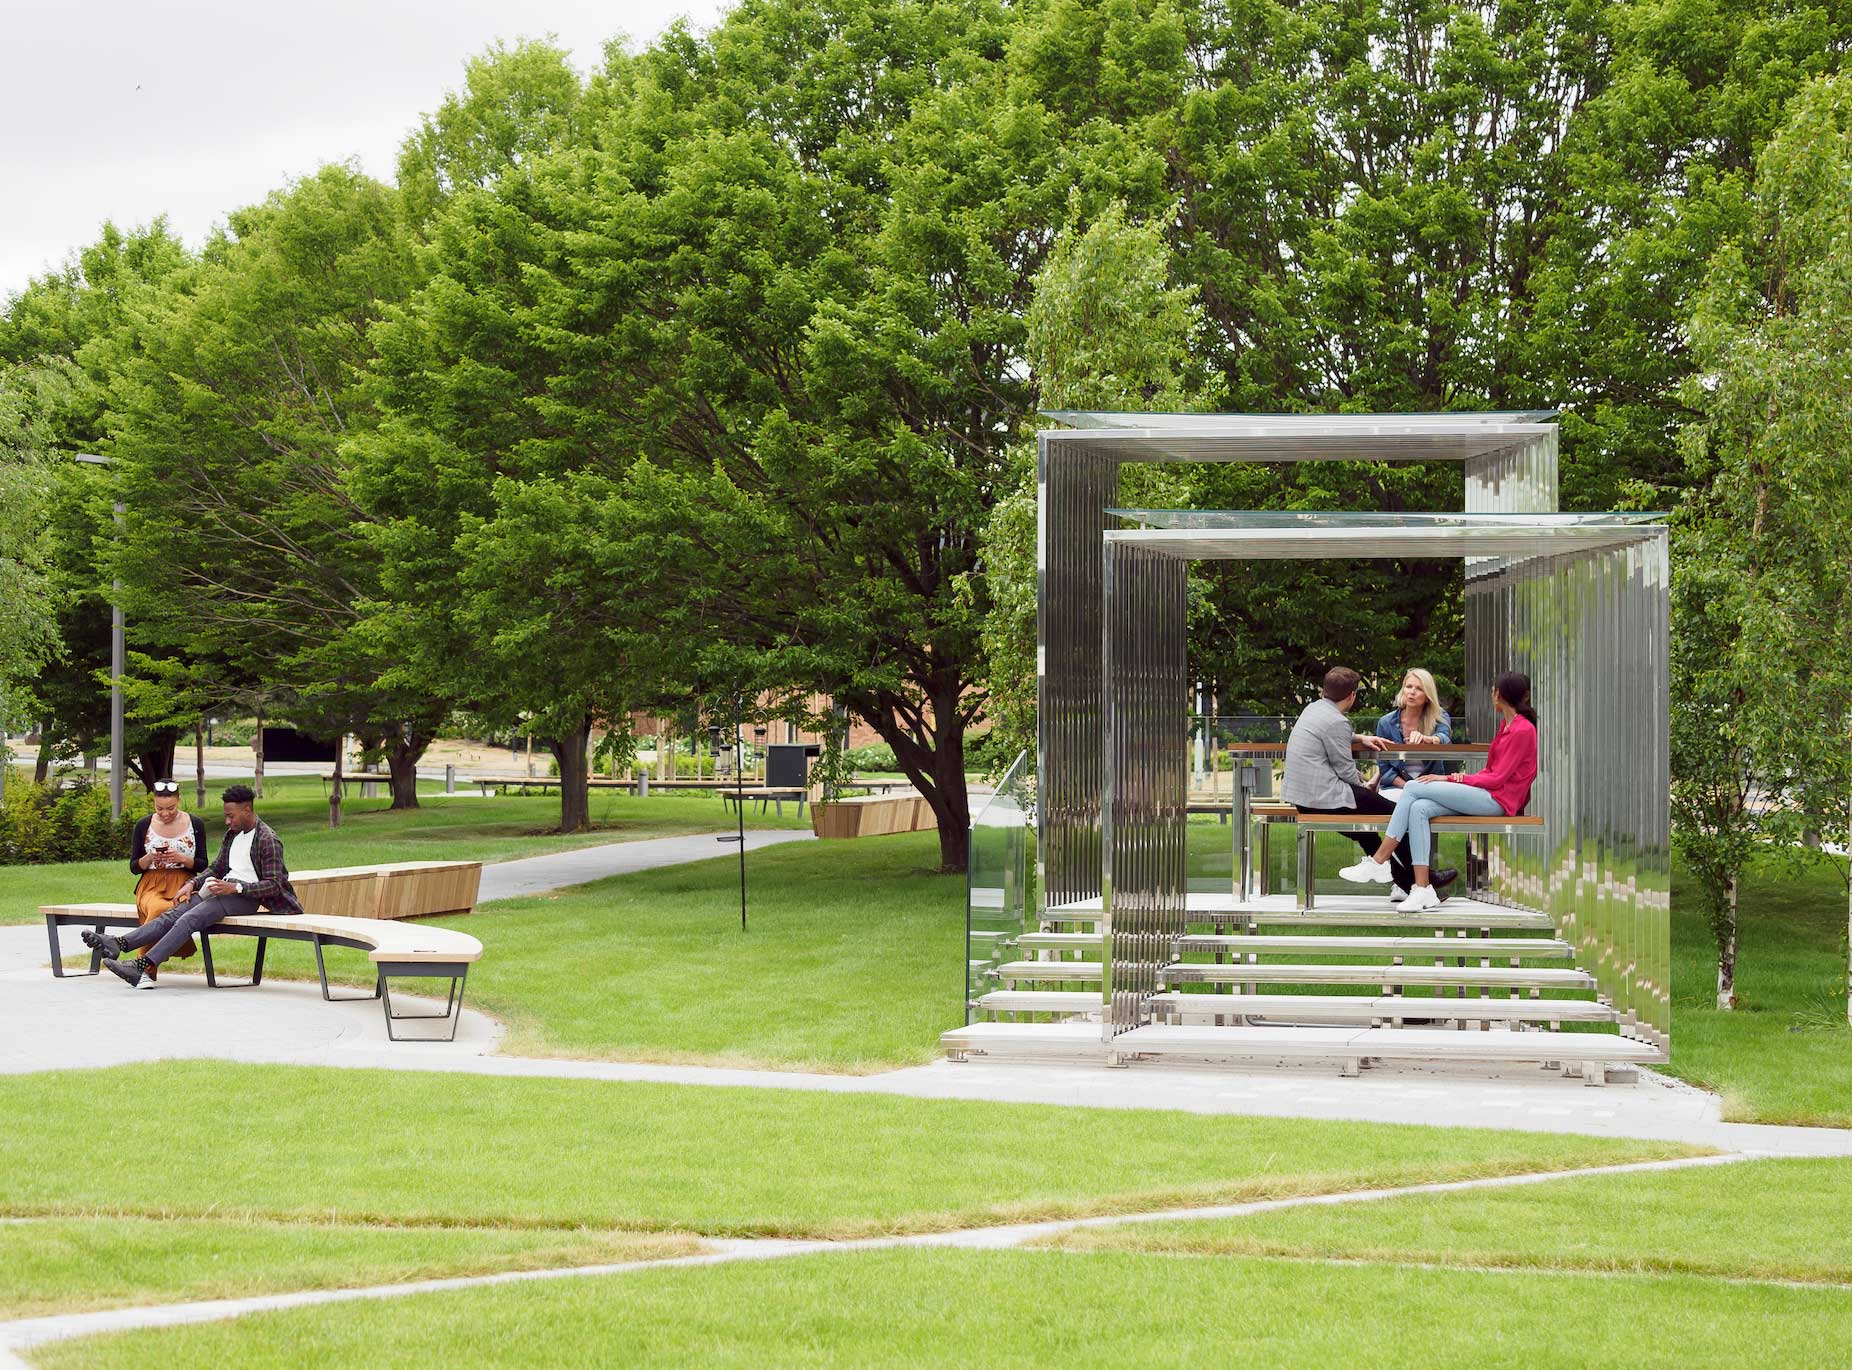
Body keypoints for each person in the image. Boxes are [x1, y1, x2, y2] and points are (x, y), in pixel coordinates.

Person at [1339, 671, 1540, 912]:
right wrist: (1455, 780)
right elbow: (1491, 771)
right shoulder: (1506, 725)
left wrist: (1450, 778)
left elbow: (1497, 778)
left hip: (1498, 800)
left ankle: (1380, 860)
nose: (1491, 695)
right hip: (1489, 793)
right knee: (1419, 808)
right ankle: (1423, 889)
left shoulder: (1522, 729)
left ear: (1500, 694)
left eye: (1493, 691)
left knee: (1414, 787)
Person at [84, 783, 302, 989]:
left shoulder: (267, 839)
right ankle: (117, 943)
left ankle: (141, 967)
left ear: (247, 809)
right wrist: (192, 883)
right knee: (171, 914)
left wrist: (235, 888)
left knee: (188, 919)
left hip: (245, 897)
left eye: (231, 816)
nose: (227, 821)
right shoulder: (233, 834)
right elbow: (217, 867)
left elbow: (274, 885)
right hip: (220, 890)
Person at [1279, 666, 1423, 897]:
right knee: (1400, 814)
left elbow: (1327, 733)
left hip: (1302, 799)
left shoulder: (1312, 709)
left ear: (1324, 691)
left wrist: (1359, 738)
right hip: (1324, 798)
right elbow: (1346, 771)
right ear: (1352, 695)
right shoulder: (1337, 721)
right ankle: (1424, 879)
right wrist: (1366, 786)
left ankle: (1409, 882)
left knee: (1366, 832)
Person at [124, 779, 210, 982]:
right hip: (151, 884)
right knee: (157, 908)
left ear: (179, 800)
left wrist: (182, 859)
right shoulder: (143, 825)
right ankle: (145, 970)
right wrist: (148, 859)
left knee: (178, 909)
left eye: (170, 808)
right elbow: (134, 867)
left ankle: (140, 968)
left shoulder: (195, 824)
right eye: (159, 808)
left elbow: (204, 864)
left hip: (184, 884)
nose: (165, 813)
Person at [1374, 668, 1454, 790]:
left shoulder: (1440, 717)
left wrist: (1429, 739)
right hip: (1397, 787)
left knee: (1423, 806)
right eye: (1409, 686)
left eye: (1419, 689)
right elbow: (1384, 768)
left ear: (1427, 696)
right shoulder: (1386, 722)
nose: (1412, 692)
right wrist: (1408, 787)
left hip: (1431, 785)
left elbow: (1444, 737)